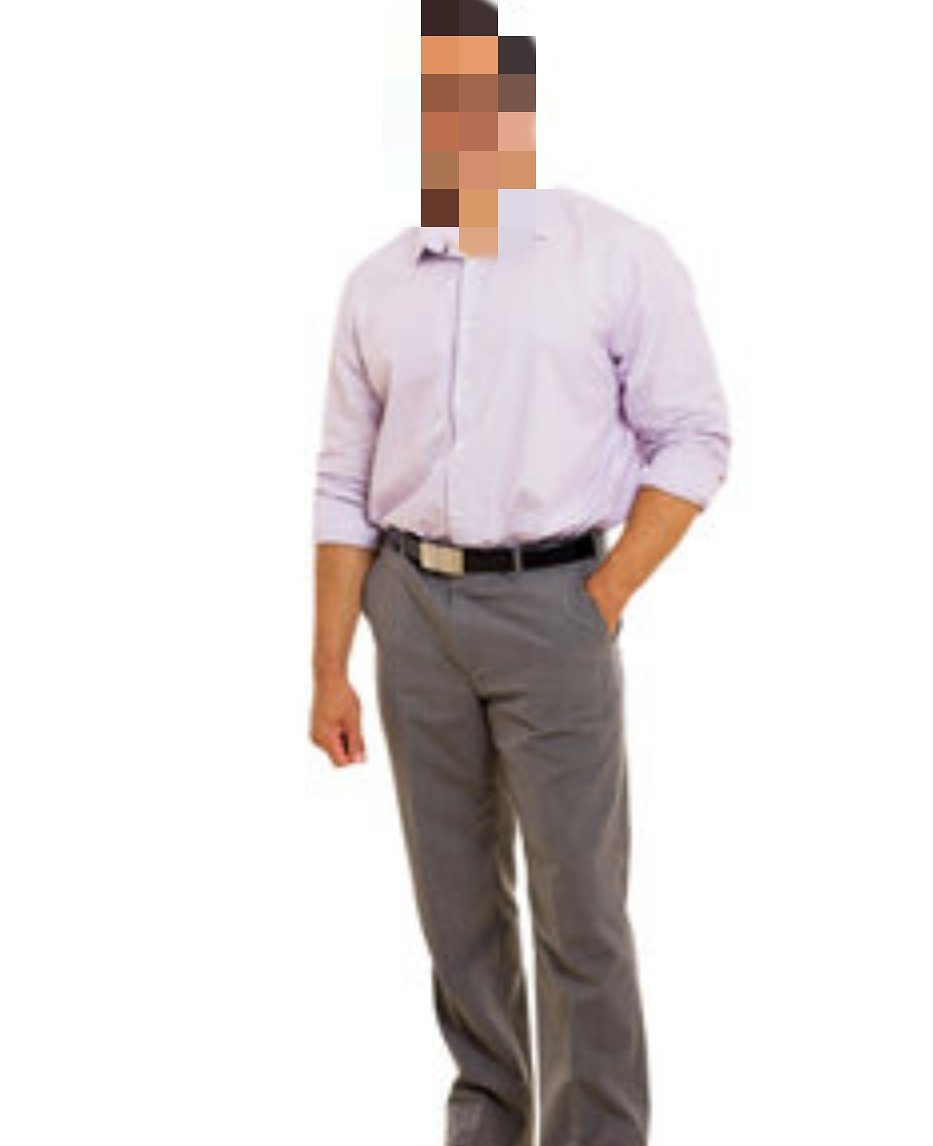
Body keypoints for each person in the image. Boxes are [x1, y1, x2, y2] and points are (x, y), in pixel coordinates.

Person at [309, 2, 731, 1143]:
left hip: (556, 605)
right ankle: (489, 1124)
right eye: (431, 98)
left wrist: (605, 592)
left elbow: (694, 436)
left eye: (473, 92)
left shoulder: (610, 254)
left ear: (515, 104)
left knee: (579, 909)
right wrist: (330, 666)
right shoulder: (379, 283)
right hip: (411, 609)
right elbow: (342, 482)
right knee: (457, 914)